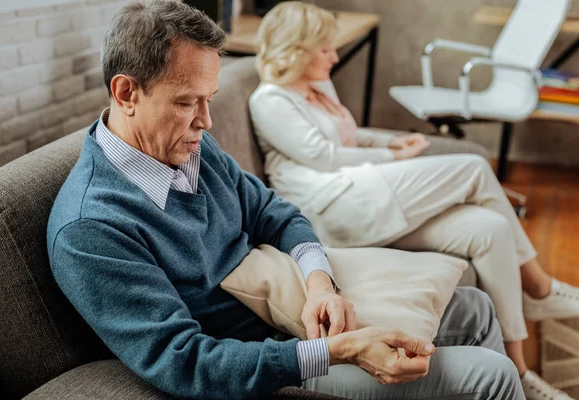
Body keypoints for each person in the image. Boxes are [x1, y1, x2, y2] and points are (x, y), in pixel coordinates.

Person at [47, 1, 523, 399]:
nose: (207, 122)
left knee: (477, 306)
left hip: (293, 307)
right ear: (126, 92)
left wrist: (319, 284)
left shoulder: (190, 147)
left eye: (210, 99)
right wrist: (343, 350)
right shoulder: (91, 227)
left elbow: (275, 214)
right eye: (188, 102)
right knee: (492, 375)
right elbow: (186, 362)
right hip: (273, 363)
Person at [248, 2, 579, 399]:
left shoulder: (317, 86)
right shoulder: (269, 99)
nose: (335, 57)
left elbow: (348, 137)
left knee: (489, 230)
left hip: (362, 188)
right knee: (474, 167)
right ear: (295, 49)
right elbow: (325, 155)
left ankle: (520, 370)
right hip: (333, 205)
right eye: (324, 49)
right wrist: (394, 156)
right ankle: (539, 288)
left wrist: (390, 141)